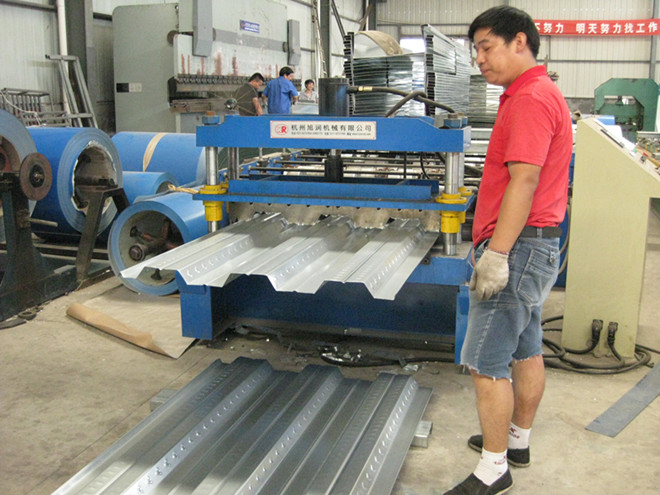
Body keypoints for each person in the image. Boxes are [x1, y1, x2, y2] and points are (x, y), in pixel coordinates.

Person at [444, 6, 572, 495]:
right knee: (526, 348)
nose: (479, 59)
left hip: (516, 249)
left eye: (486, 47)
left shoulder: (530, 99)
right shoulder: (536, 92)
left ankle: (493, 470)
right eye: (475, 50)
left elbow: (525, 180)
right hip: (537, 245)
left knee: (484, 362)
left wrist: (496, 255)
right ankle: (517, 441)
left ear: (520, 41)